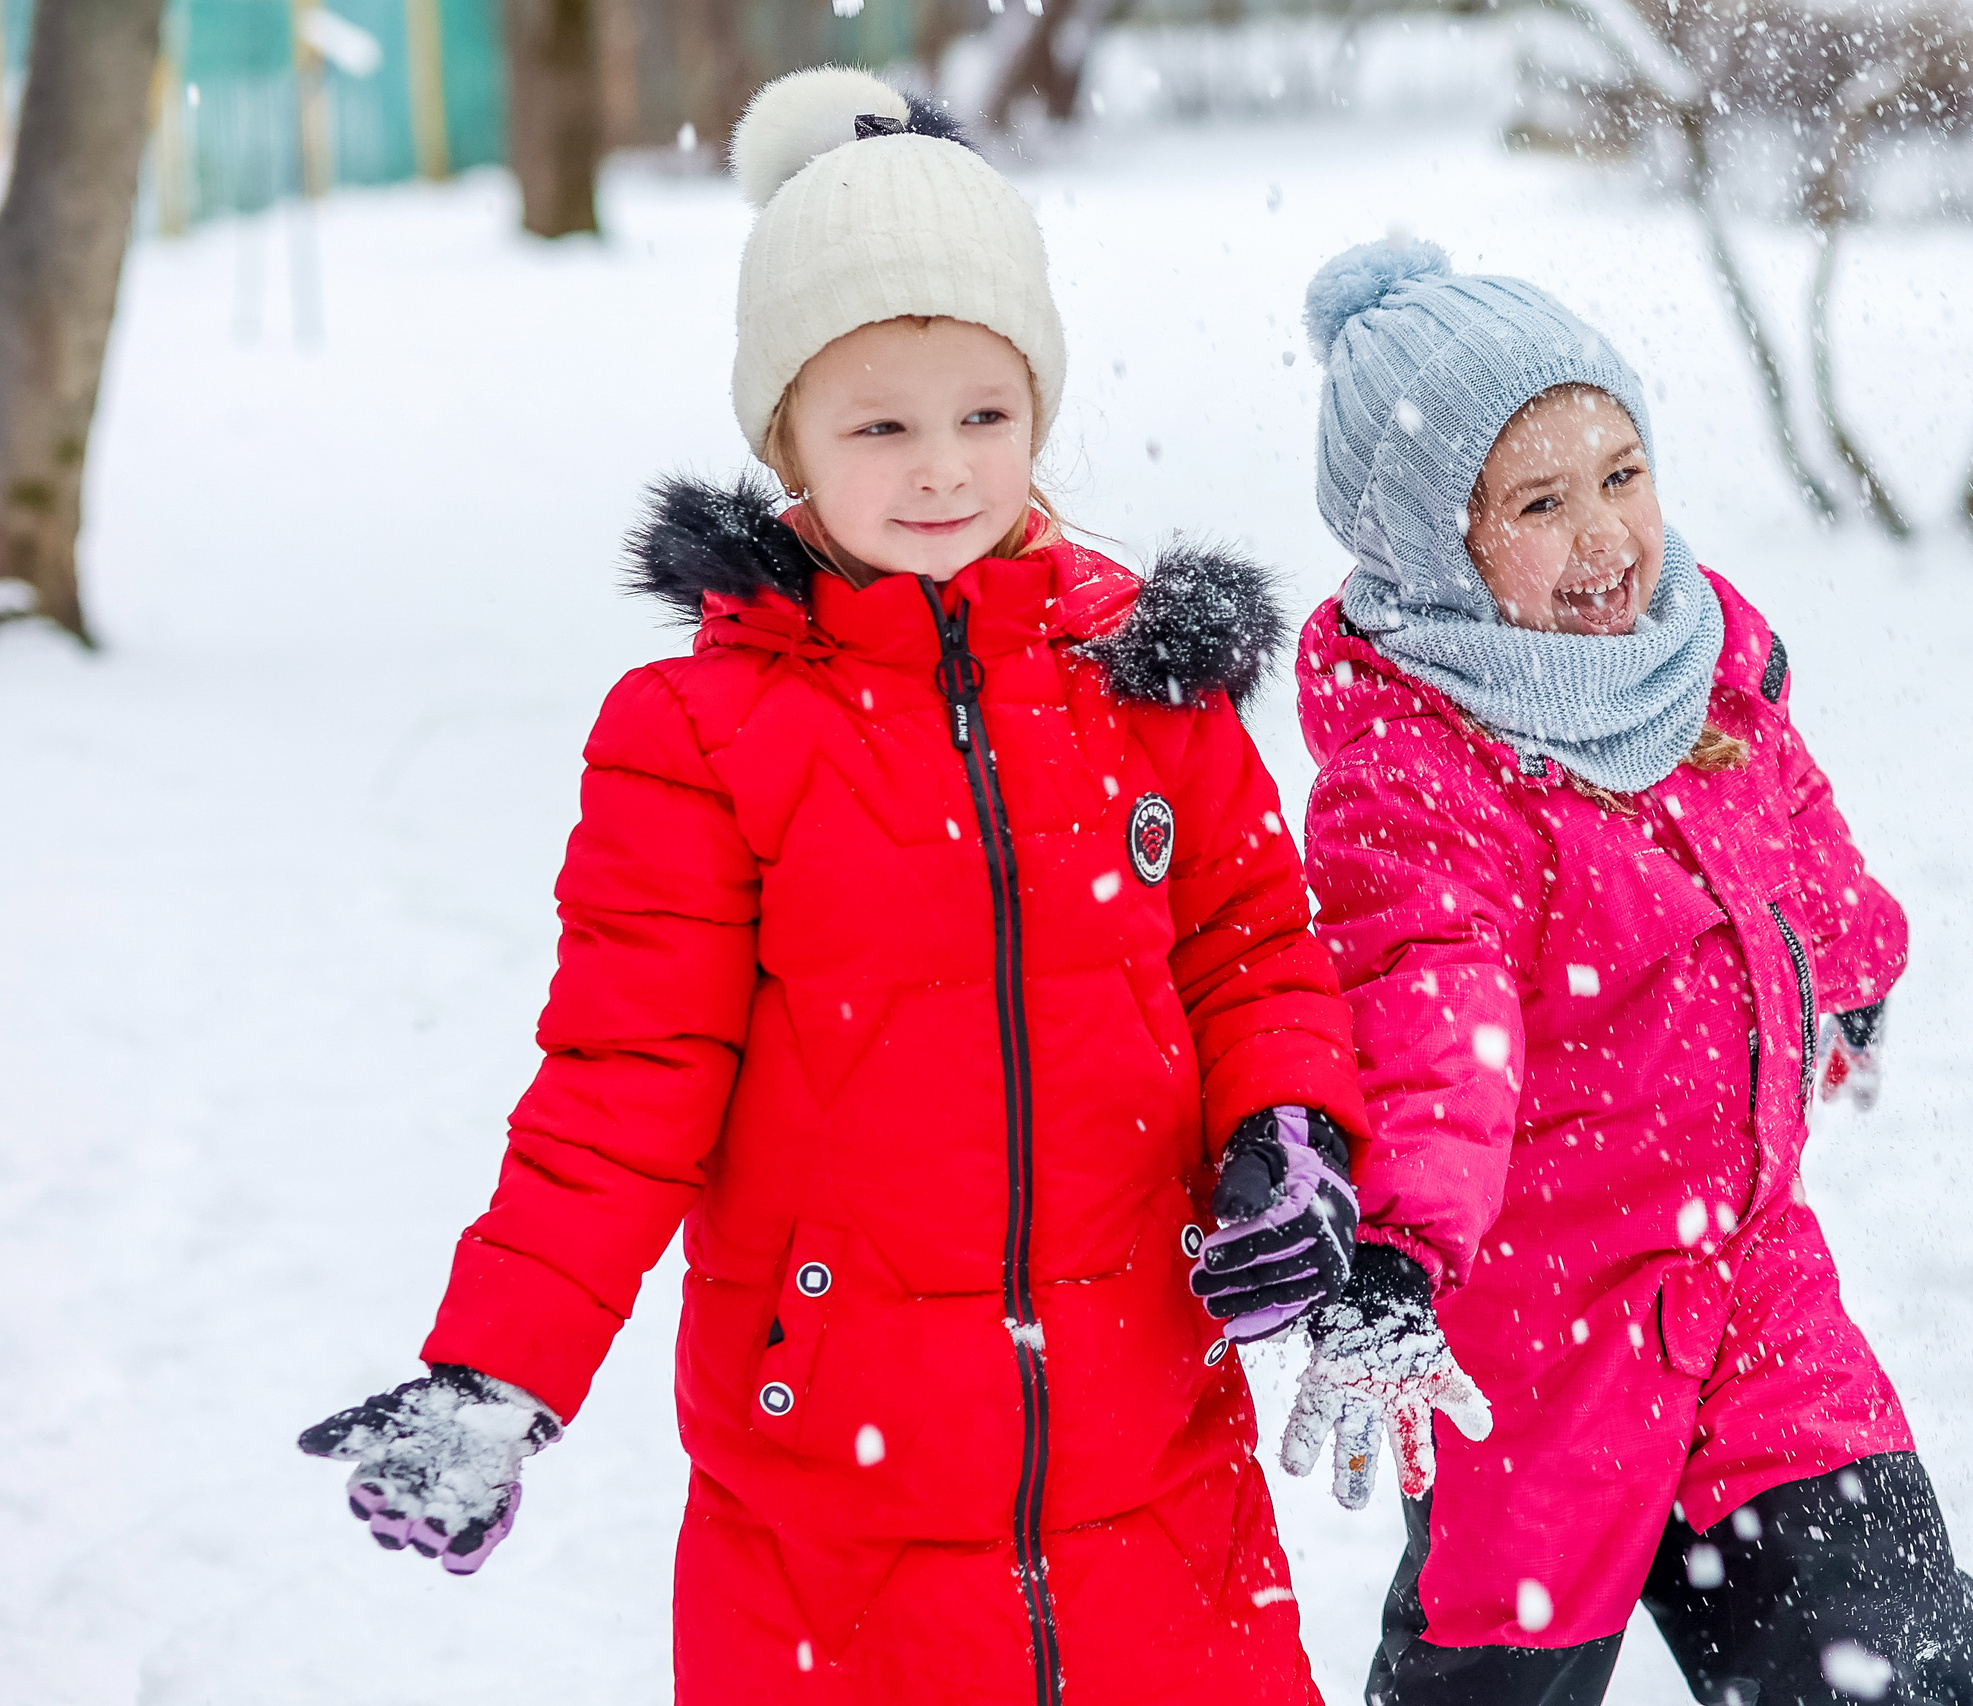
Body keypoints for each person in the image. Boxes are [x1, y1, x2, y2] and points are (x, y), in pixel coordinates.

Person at [295, 69, 1370, 1706]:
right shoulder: (702, 737)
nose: (944, 468)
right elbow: (623, 1082)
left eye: (986, 414)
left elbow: (1251, 948)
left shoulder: (1145, 681)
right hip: (834, 1529)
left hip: (1156, 1479)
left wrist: (1287, 1126)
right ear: (785, 433)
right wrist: (498, 1367)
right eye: (881, 424)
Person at [1277, 239, 1973, 1706]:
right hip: (1540, 1341)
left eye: (1622, 474)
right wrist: (1399, 1243)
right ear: (1436, 548)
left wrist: (1852, 952)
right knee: (1499, 1680)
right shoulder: (1418, 772)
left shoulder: (1696, 656)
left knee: (1895, 1657)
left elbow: (1787, 822)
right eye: (1540, 504)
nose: (1605, 535)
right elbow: (1430, 1006)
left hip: (1751, 1282)